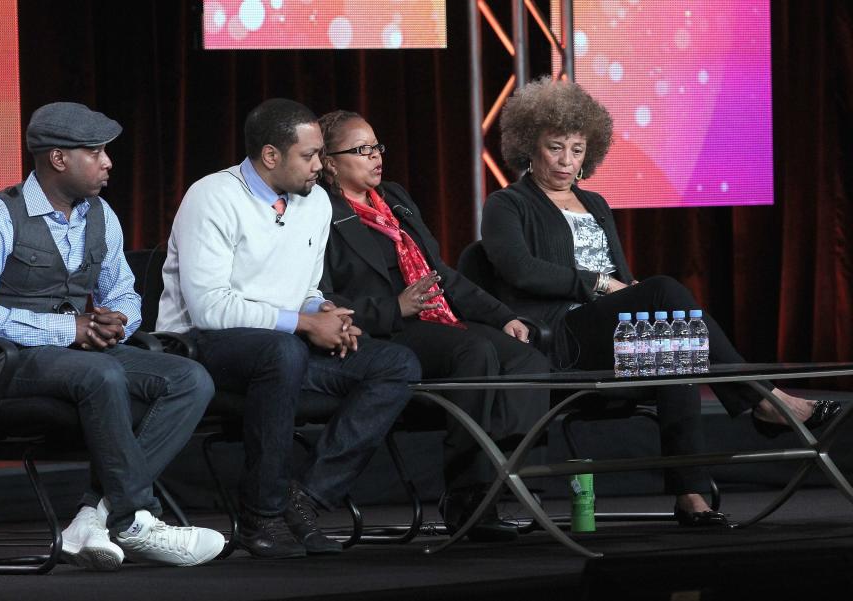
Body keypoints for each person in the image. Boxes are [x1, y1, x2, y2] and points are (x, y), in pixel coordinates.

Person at [481, 76, 841, 524]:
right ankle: (765, 400)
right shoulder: (507, 204)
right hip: (562, 339)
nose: (566, 160)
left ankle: (691, 496)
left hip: (612, 332)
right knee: (665, 290)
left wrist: (624, 291)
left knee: (678, 350)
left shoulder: (595, 203)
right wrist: (601, 285)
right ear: (529, 146)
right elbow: (520, 269)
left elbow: (626, 281)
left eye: (576, 149)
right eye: (555, 147)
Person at [0, 102, 225, 570]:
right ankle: (136, 517)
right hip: (8, 363)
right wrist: (68, 328)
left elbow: (123, 292)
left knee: (190, 378)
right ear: (59, 159)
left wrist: (117, 321)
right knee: (101, 375)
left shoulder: (101, 215)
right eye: (95, 152)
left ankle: (93, 516)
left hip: (82, 357)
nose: (108, 162)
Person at [156, 98, 420, 559]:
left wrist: (326, 311)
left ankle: (307, 500)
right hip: (201, 349)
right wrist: (304, 323)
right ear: (271, 155)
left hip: (282, 341)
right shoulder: (213, 197)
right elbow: (209, 309)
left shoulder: (315, 202)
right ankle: (262, 513)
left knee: (394, 363)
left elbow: (304, 287)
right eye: (311, 155)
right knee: (283, 353)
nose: (322, 166)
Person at [316, 110, 550, 541]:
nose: (375, 157)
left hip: (433, 318)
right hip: (384, 330)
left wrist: (504, 316)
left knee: (527, 359)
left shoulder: (395, 199)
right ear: (329, 162)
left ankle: (495, 475)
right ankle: (466, 494)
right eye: (361, 150)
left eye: (377, 147)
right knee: (474, 352)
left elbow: (439, 272)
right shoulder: (318, 212)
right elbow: (322, 294)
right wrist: (395, 307)